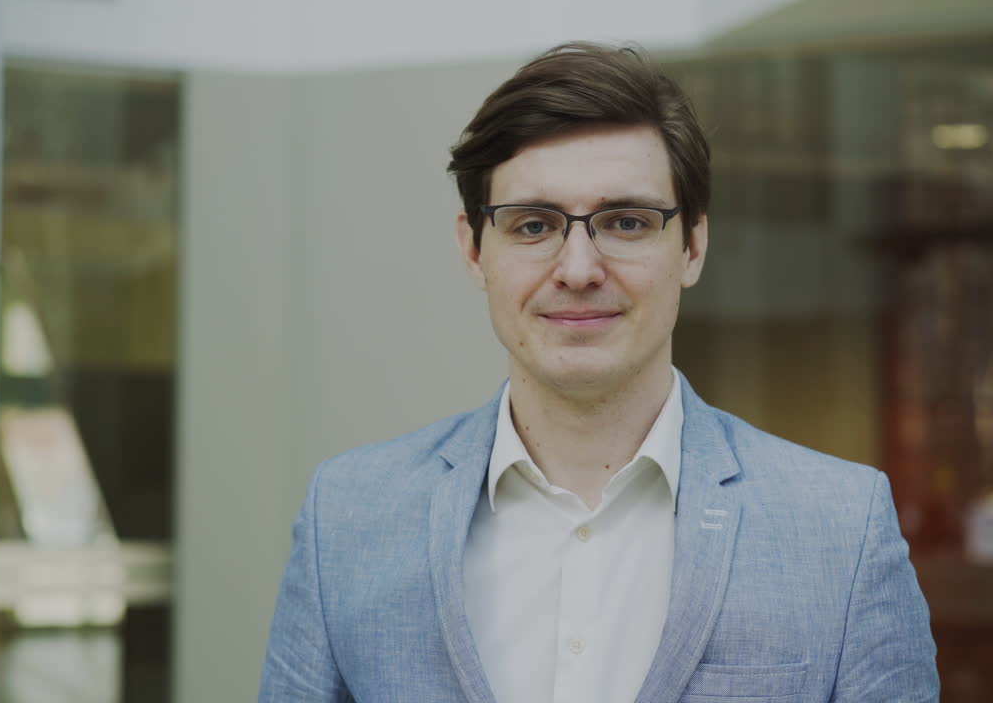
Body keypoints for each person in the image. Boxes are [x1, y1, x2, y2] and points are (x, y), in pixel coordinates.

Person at [259, 42, 938, 703]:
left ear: (693, 245)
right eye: (532, 226)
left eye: (626, 222)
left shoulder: (841, 530)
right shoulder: (347, 518)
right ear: (473, 249)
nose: (579, 269)